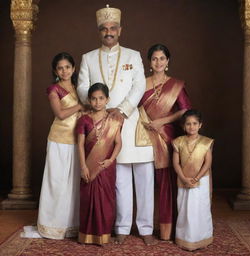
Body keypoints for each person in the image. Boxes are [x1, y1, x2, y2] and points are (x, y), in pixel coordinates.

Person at [77, 5, 155, 245]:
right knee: (119, 180)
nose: (108, 32)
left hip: (130, 122)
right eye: (104, 29)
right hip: (103, 127)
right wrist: (98, 106)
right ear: (99, 32)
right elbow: (82, 86)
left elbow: (139, 85)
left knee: (144, 177)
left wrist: (122, 110)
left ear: (120, 30)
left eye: (112, 28)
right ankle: (121, 227)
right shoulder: (88, 58)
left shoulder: (132, 55)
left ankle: (146, 228)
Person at [138, 44, 191, 241]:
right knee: (143, 183)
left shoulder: (176, 84)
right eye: (154, 59)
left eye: (162, 58)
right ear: (149, 62)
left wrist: (163, 121)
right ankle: (144, 227)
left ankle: (168, 229)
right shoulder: (141, 84)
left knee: (166, 183)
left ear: (167, 61)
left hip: (166, 136)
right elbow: (133, 109)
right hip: (142, 137)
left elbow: (185, 110)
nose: (158, 62)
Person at [36, 52, 83, 239]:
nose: (64, 71)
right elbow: (61, 114)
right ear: (56, 71)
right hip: (58, 140)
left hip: (77, 140)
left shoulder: (79, 87)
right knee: (57, 181)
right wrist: (80, 107)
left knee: (73, 183)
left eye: (67, 67)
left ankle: (71, 225)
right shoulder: (53, 89)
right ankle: (51, 225)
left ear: (73, 68)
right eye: (60, 68)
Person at [77, 83, 122, 245]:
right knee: (88, 198)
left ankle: (104, 234)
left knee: (106, 199)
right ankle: (87, 235)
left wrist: (110, 160)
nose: (97, 102)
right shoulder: (84, 120)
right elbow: (80, 145)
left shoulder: (114, 120)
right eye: (94, 99)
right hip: (89, 165)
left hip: (106, 166)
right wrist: (83, 166)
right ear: (89, 100)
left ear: (107, 99)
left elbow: (118, 143)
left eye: (101, 98)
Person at [172, 109, 214, 251]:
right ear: (184, 126)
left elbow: (207, 163)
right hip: (183, 180)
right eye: (188, 124)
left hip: (201, 181)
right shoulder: (178, 142)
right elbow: (176, 163)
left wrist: (197, 177)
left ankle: (202, 237)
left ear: (200, 125)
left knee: (200, 208)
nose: (191, 127)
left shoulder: (206, 142)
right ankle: (185, 238)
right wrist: (184, 178)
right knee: (185, 208)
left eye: (195, 123)